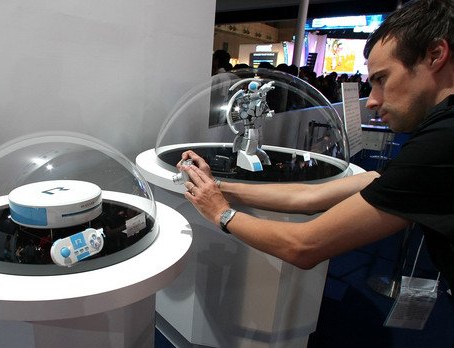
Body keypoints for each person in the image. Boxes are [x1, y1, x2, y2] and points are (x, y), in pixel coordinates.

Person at [178, 0, 454, 292]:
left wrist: (221, 212)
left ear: (435, 55)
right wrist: (216, 186)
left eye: (382, 79)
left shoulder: (440, 144)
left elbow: (304, 245)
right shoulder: (437, 139)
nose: (372, 100)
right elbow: (309, 197)